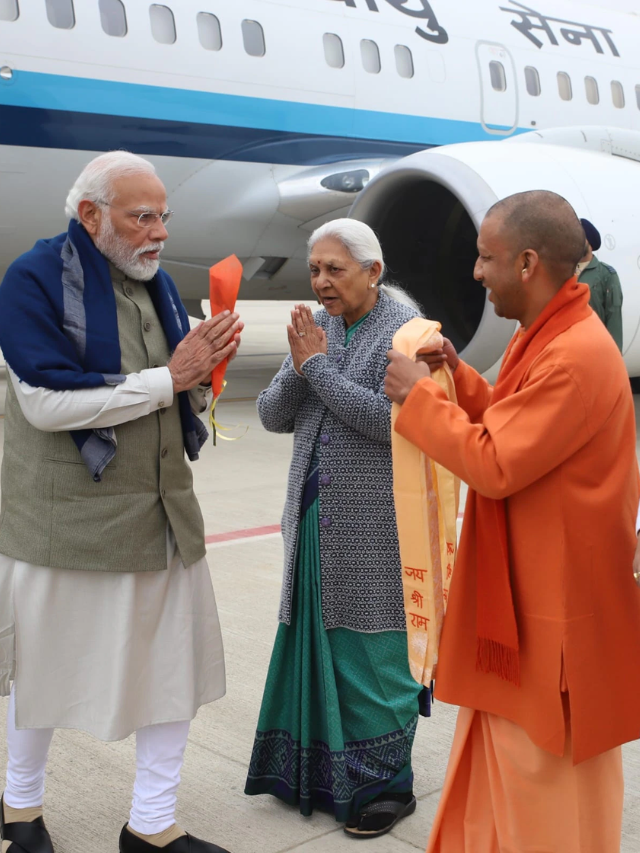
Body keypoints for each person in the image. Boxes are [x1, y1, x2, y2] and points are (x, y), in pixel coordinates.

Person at [0, 152, 242, 853]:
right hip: (64, 520)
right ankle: (19, 811)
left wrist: (203, 374)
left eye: (164, 215)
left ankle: (152, 824)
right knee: (39, 673)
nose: (159, 231)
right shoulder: (33, 281)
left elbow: (178, 388)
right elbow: (45, 405)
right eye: (143, 216)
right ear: (90, 216)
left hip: (162, 513)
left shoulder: (159, 286)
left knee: (174, 671)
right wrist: (174, 378)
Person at [385, 190, 640, 853]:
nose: (475, 271)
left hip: (553, 626)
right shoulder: (551, 332)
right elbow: (513, 418)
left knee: (545, 803)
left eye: (485, 257)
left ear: (528, 263)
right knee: (516, 793)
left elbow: (497, 464)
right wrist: (459, 381)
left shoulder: (572, 354)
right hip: (532, 605)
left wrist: (417, 398)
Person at [244, 219, 424, 839]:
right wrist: (302, 365)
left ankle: (388, 787)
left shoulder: (407, 333)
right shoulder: (317, 330)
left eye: (334, 270)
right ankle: (325, 774)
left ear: (373, 272)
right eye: (314, 269)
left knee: (373, 656)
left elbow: (395, 423)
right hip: (315, 518)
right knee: (319, 643)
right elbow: (271, 416)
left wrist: (316, 369)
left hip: (376, 527)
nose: (320, 281)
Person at [577, 217, 623, 350]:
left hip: (595, 350)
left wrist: (614, 359)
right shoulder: (564, 273)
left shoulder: (606, 275)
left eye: (579, 237)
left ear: (590, 243)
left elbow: (613, 320)